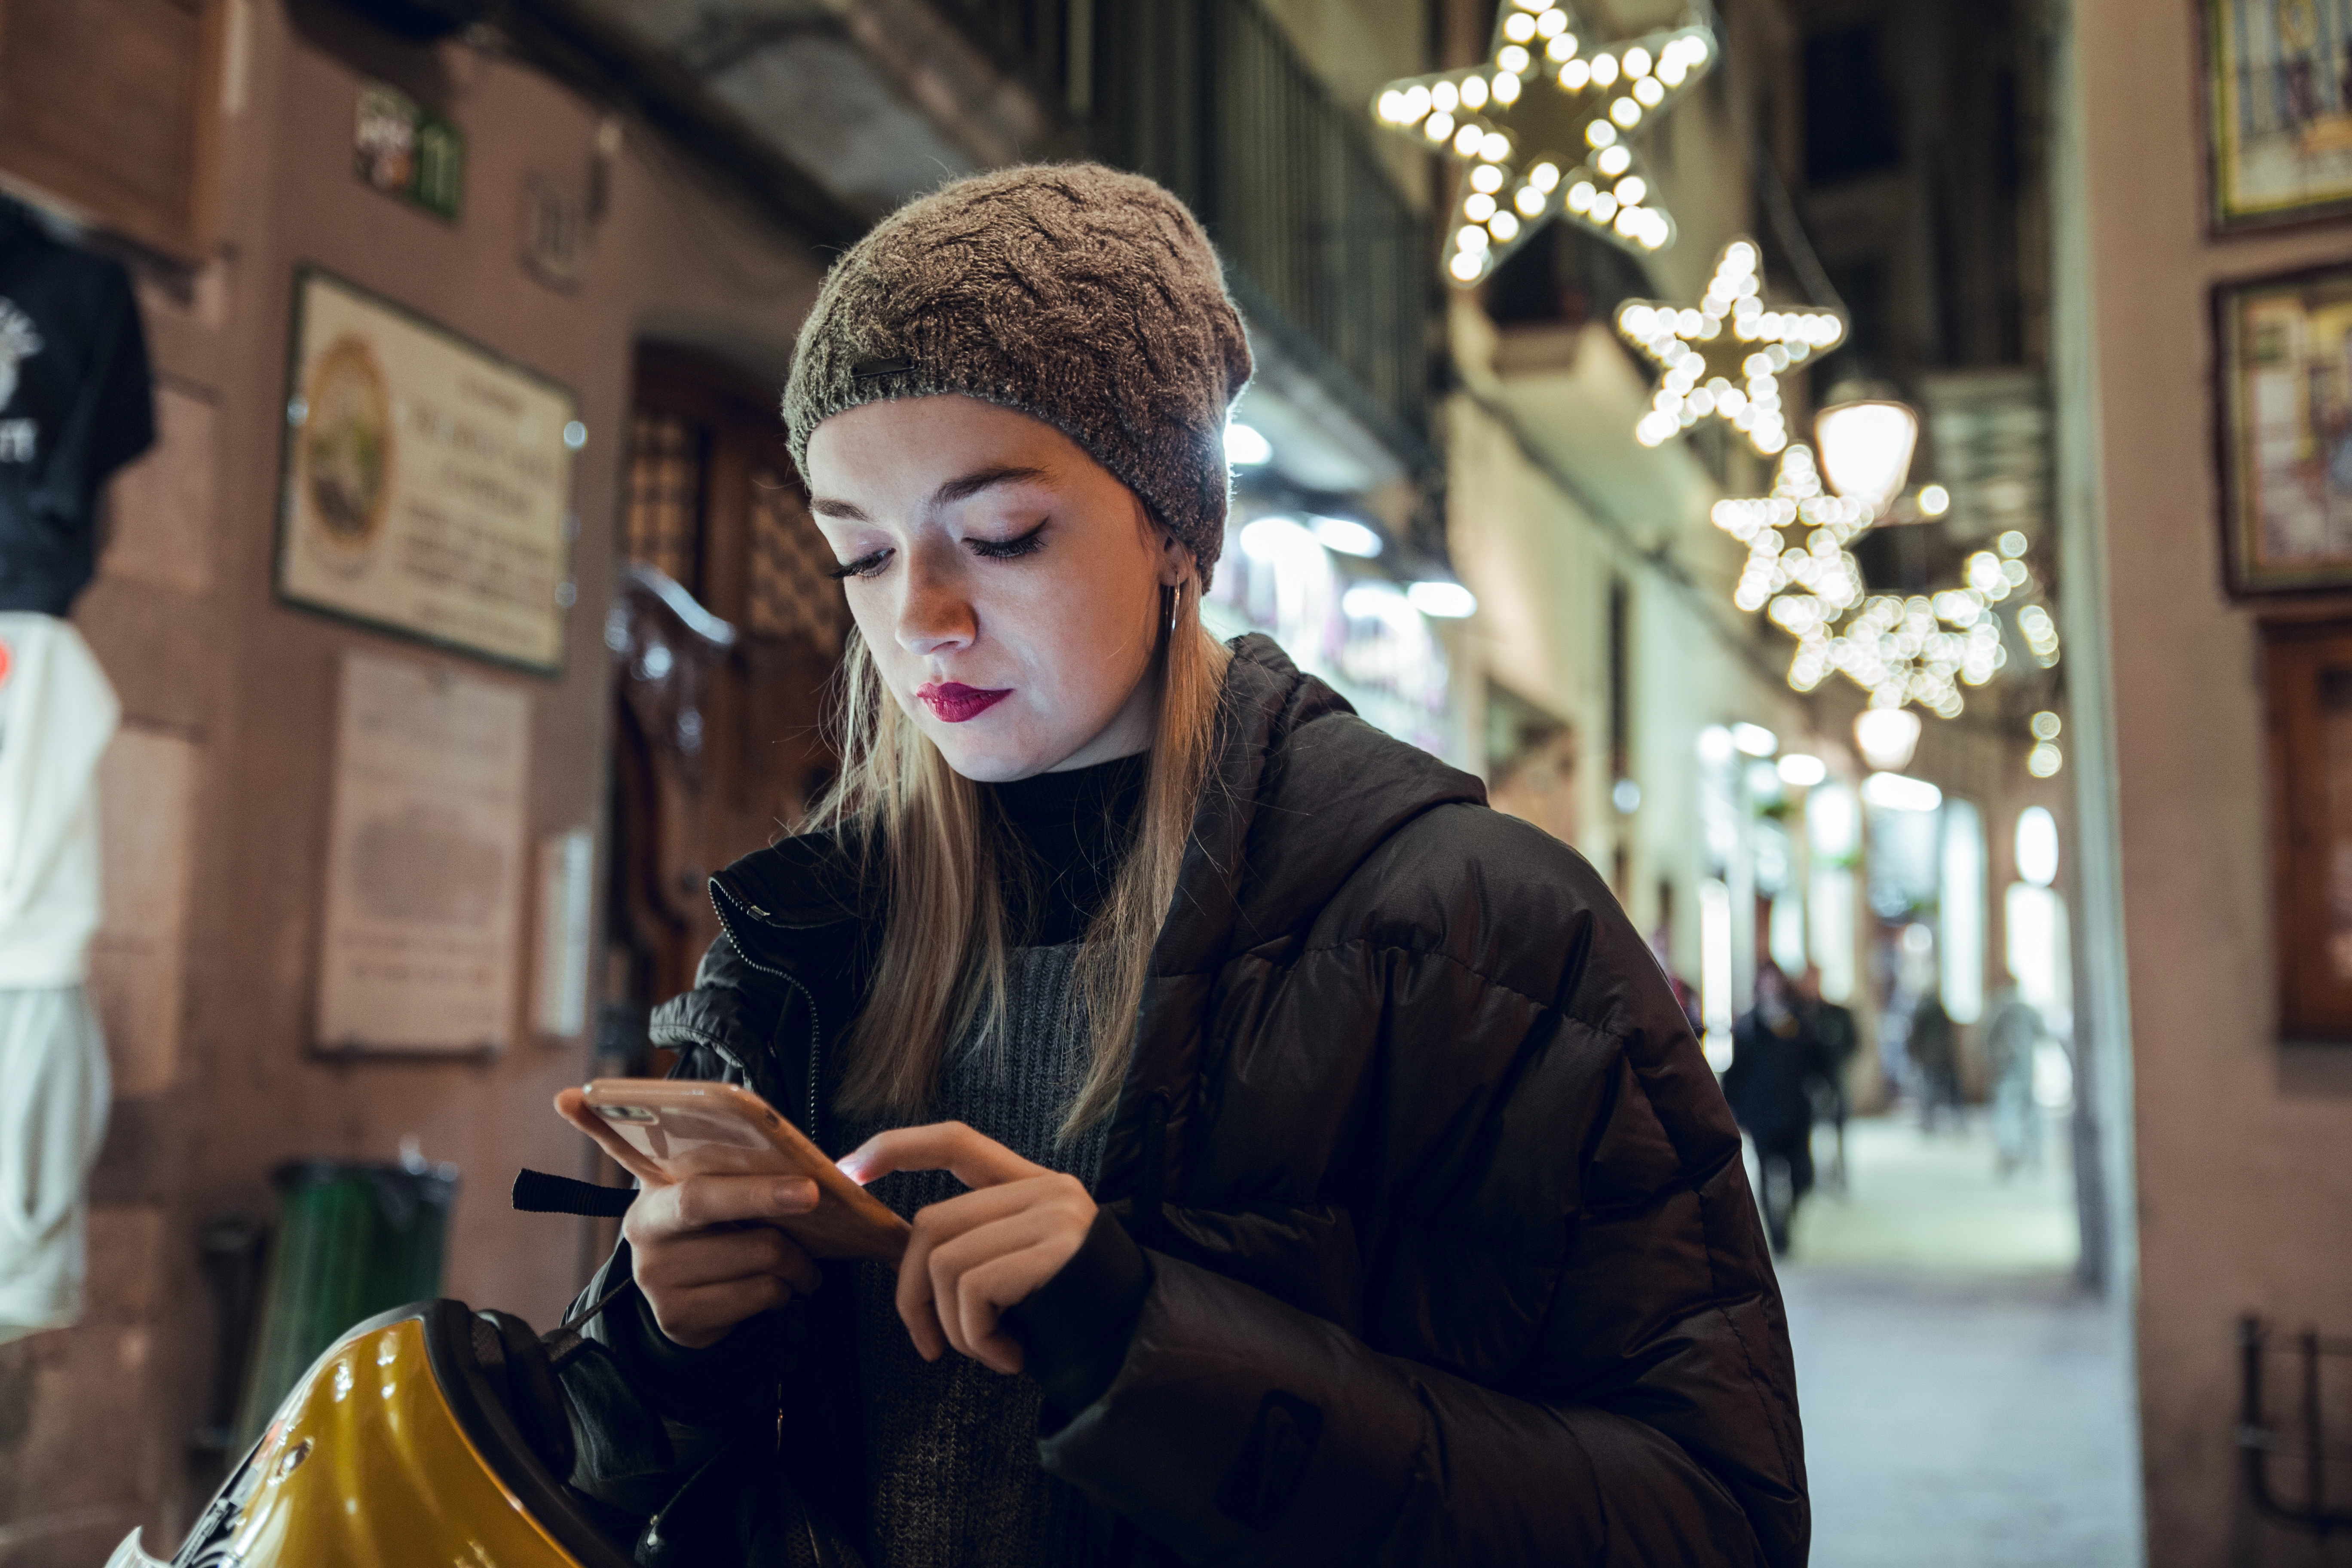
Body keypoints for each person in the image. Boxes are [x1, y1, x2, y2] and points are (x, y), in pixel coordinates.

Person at [570, 164, 1807, 1567]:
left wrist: (1147, 1344)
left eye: (1000, 533)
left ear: (1176, 524)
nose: (919, 616)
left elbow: (1716, 1518)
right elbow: (614, 1472)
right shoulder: (800, 936)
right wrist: (658, 1338)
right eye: (858, 551)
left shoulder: (1478, 935)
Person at [1723, 965, 1832, 1258]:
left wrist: (1823, 1086)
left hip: (1795, 1111)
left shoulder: (1799, 1023)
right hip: (1762, 1113)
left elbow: (1819, 1060)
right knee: (1767, 1175)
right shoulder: (1748, 1027)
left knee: (1801, 1174)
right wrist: (1732, 1108)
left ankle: (1793, 1208)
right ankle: (1778, 1236)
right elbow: (1736, 1073)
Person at [1793, 965, 1859, 1191]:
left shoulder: (1836, 1013)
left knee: (1837, 1127)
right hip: (1805, 1082)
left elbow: (1853, 1042)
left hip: (1833, 1078)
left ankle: (1839, 1174)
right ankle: (1813, 1176)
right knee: (1809, 1128)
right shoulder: (1797, 1014)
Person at [1982, 983, 2047, 1177]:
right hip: (2024, 1070)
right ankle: (2031, 1155)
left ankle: (2011, 1153)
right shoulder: (2028, 1012)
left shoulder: (2000, 1014)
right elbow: (2043, 1035)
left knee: (2007, 1114)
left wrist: (1994, 1060)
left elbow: (1986, 1042)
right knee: (2029, 1114)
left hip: (2009, 1071)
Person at [1907, 989, 1962, 1133]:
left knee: (1929, 1088)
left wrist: (1915, 1052)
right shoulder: (1940, 1009)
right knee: (1950, 1089)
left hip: (1929, 1055)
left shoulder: (1923, 1010)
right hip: (1943, 1053)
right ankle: (1959, 1121)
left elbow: (1915, 1033)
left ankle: (1928, 1122)